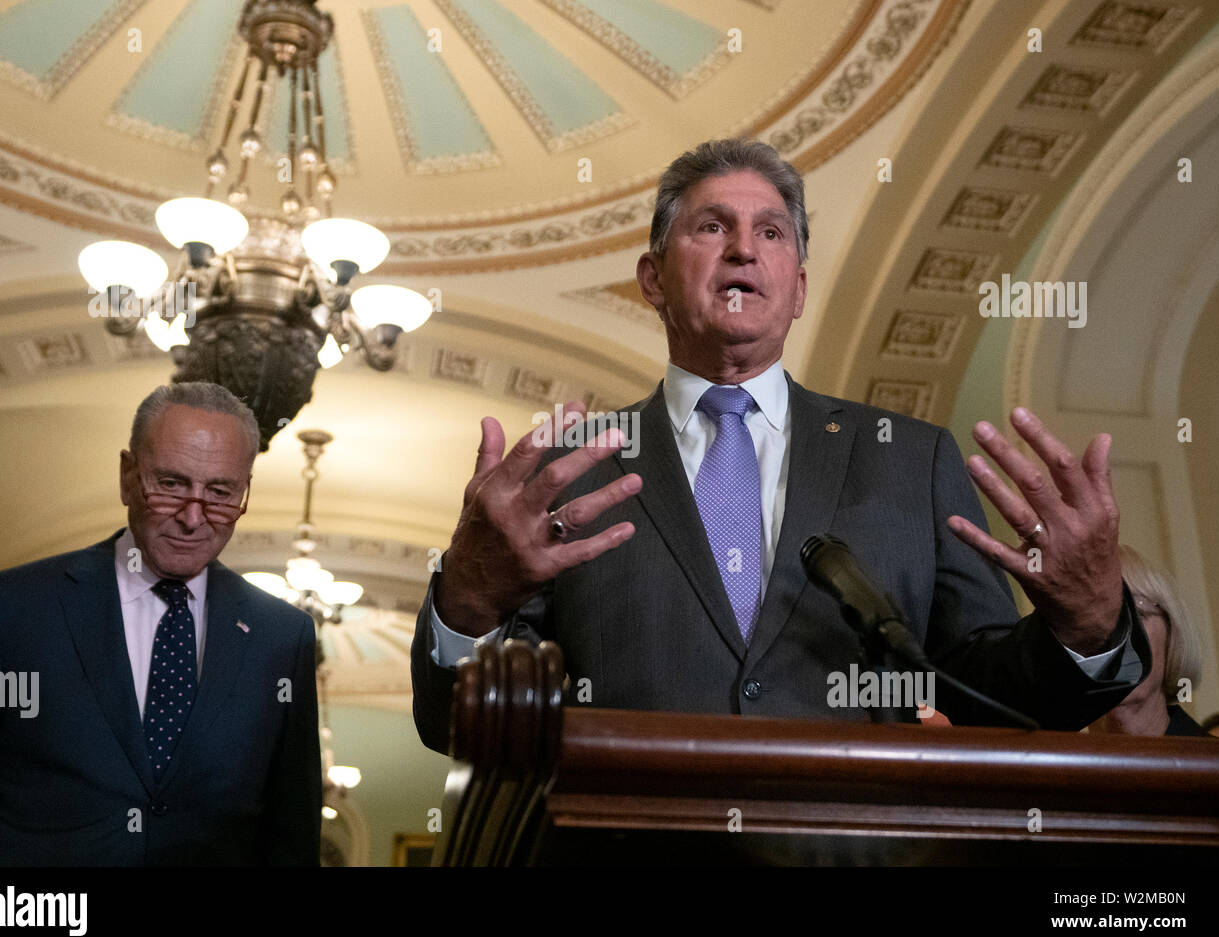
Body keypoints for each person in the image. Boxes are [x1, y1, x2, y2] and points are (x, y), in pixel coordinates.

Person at [411, 139, 1150, 754]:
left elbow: (982, 700)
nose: (742, 248)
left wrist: (1086, 626)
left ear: (797, 288)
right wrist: (468, 605)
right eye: (711, 227)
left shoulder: (908, 457)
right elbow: (460, 726)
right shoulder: (569, 474)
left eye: (771, 232)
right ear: (652, 279)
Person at [0, 382, 321, 865]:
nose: (193, 517)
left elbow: (292, 839)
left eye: (220, 493)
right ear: (126, 476)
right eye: (171, 485)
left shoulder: (283, 638)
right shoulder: (10, 609)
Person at [1090, 545, 1208, 736]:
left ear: (1171, 635)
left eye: (1135, 614)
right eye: (1090, 617)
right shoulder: (1043, 762)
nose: (1112, 634)